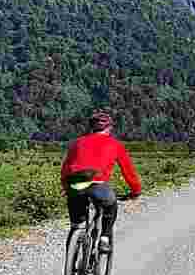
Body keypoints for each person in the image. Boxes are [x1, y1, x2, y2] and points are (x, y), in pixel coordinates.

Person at [59, 109, 142, 255]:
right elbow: (128, 171)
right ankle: (104, 237)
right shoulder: (115, 144)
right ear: (109, 128)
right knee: (111, 205)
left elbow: (66, 167)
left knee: (76, 225)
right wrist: (135, 191)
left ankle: (71, 261)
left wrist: (66, 186)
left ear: (91, 128)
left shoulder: (77, 142)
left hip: (75, 185)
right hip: (98, 184)